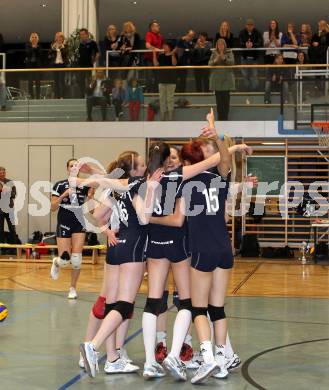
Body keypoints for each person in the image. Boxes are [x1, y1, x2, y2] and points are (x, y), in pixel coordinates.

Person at [141, 122, 232, 381]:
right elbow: (224, 159)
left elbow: (175, 217)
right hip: (224, 249)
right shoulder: (221, 176)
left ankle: (209, 359)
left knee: (198, 308)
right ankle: (223, 360)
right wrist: (221, 136)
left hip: (201, 249)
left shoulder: (183, 180)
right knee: (219, 309)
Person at [79, 153, 164, 379]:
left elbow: (98, 213)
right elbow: (144, 219)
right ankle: (93, 346)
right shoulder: (137, 185)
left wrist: (90, 177)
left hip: (117, 244)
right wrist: (153, 190)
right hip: (133, 243)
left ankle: (113, 359)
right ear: (135, 170)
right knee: (125, 305)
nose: (146, 167)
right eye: (143, 165)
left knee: (113, 303)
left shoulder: (118, 187)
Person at [50, 159, 93, 299]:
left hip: (79, 221)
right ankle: (56, 262)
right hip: (64, 220)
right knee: (64, 260)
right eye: (71, 165)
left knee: (76, 259)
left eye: (77, 166)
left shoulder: (84, 184)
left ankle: (73, 288)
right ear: (67, 168)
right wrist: (63, 195)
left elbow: (97, 186)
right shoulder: (59, 185)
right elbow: (52, 208)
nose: (74, 167)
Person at [209, 39, 235, 120]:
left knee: (226, 102)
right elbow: (209, 63)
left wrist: (224, 58)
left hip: (226, 80)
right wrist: (216, 60)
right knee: (219, 103)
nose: (220, 46)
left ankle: (225, 119)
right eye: (218, 45)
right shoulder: (214, 53)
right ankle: (220, 119)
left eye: (222, 44)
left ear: (224, 45)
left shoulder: (229, 52)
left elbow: (232, 62)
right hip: (217, 81)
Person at [153, 41, 177, 121]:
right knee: (162, 98)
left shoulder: (173, 55)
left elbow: (174, 64)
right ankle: (163, 117)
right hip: (162, 80)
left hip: (171, 80)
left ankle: (170, 117)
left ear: (169, 47)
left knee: (170, 99)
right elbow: (156, 64)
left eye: (166, 46)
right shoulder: (161, 56)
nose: (164, 48)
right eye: (163, 46)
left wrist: (173, 54)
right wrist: (154, 54)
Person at [239, 19, 263, 91]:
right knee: (244, 75)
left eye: (251, 25)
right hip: (244, 57)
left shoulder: (257, 32)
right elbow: (239, 43)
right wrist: (245, 45)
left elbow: (260, 43)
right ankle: (246, 90)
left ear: (253, 26)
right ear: (246, 26)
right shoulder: (242, 32)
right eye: (248, 25)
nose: (249, 27)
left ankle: (254, 90)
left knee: (254, 75)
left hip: (254, 58)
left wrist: (252, 45)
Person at [77, 28, 99, 98]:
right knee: (81, 81)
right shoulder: (79, 44)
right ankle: (81, 96)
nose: (82, 36)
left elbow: (97, 53)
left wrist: (94, 60)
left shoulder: (92, 43)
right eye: (81, 35)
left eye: (83, 34)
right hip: (80, 66)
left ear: (87, 34)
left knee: (88, 81)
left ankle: (89, 95)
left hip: (88, 65)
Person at [0, 167, 18, 244]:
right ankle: (1, 248)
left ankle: (14, 248)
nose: (2, 174)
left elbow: (14, 194)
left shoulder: (10, 182)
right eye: (1, 173)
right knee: (0, 229)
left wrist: (8, 191)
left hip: (9, 208)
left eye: (4, 172)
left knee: (12, 228)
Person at [48, 32, 69, 99]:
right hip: (55, 65)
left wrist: (61, 47)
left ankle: (63, 96)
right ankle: (56, 96)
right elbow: (49, 55)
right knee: (56, 80)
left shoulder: (65, 46)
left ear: (62, 38)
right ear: (55, 38)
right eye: (57, 37)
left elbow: (66, 54)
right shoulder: (53, 45)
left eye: (60, 37)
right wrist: (53, 48)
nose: (58, 38)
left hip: (62, 65)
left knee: (62, 80)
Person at [145, 21, 164, 92]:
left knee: (158, 76)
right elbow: (147, 45)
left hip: (157, 59)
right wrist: (157, 50)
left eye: (158, 26)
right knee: (149, 76)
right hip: (149, 59)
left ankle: (156, 91)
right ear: (152, 27)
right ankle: (148, 92)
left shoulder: (160, 36)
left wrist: (160, 51)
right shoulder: (149, 34)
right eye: (157, 26)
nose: (158, 27)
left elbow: (162, 47)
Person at [25, 32, 42, 99]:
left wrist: (36, 48)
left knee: (38, 82)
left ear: (37, 39)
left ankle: (38, 97)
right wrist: (33, 48)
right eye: (33, 37)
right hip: (30, 66)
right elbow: (27, 53)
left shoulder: (39, 46)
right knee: (30, 82)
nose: (34, 38)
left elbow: (40, 54)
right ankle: (31, 96)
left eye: (35, 37)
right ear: (30, 38)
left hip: (37, 66)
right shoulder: (27, 45)